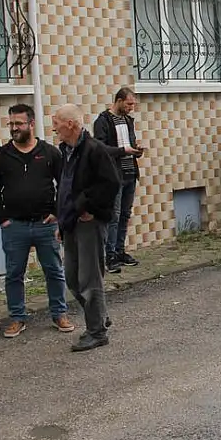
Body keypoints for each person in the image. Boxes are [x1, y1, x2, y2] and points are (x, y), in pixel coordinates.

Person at [0, 103, 74, 339]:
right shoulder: (1, 156)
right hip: (14, 226)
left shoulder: (49, 153)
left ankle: (59, 313)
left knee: (54, 270)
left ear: (32, 124)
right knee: (14, 274)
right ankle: (17, 318)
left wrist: (57, 212)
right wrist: (2, 219)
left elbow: (65, 184)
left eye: (19, 123)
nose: (14, 128)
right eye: (11, 124)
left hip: (45, 224)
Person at [52, 104, 121, 352]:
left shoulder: (94, 150)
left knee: (88, 278)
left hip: (89, 223)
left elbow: (112, 183)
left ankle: (97, 331)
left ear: (71, 124)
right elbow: (65, 188)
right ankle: (99, 315)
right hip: (70, 222)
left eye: (57, 121)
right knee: (71, 278)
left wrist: (91, 208)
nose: (54, 126)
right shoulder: (66, 151)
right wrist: (62, 221)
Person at [93, 87, 144, 273]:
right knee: (113, 216)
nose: (131, 108)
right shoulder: (103, 121)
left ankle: (120, 250)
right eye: (129, 104)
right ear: (119, 100)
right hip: (114, 176)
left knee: (125, 214)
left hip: (130, 173)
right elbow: (100, 149)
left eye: (133, 104)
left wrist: (136, 150)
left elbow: (129, 144)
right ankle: (110, 255)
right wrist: (124, 151)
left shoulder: (128, 120)